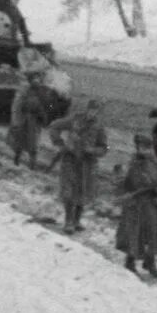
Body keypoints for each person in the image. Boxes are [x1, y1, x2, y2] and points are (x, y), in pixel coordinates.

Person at [115, 134, 157, 278]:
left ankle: (150, 261)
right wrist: (127, 193)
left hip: (153, 204)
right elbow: (123, 183)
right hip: (136, 204)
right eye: (143, 148)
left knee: (154, 232)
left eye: (149, 147)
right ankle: (130, 261)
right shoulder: (133, 163)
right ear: (138, 148)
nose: (147, 151)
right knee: (135, 233)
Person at [48, 99, 108, 233]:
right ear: (87, 109)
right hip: (70, 159)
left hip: (87, 164)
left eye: (96, 111)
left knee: (83, 192)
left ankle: (76, 221)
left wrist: (92, 150)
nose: (93, 113)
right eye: (91, 109)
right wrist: (60, 143)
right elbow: (54, 126)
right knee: (68, 191)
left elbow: (105, 148)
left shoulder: (100, 127)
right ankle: (68, 222)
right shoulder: (75, 119)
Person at [9, 71, 59, 166]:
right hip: (24, 120)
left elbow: (50, 106)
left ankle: (32, 164)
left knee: (34, 143)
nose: (36, 81)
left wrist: (51, 106)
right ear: (31, 80)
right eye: (34, 79)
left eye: (38, 79)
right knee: (20, 141)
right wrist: (17, 119)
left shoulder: (44, 92)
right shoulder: (25, 90)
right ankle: (17, 159)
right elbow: (18, 104)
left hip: (35, 122)